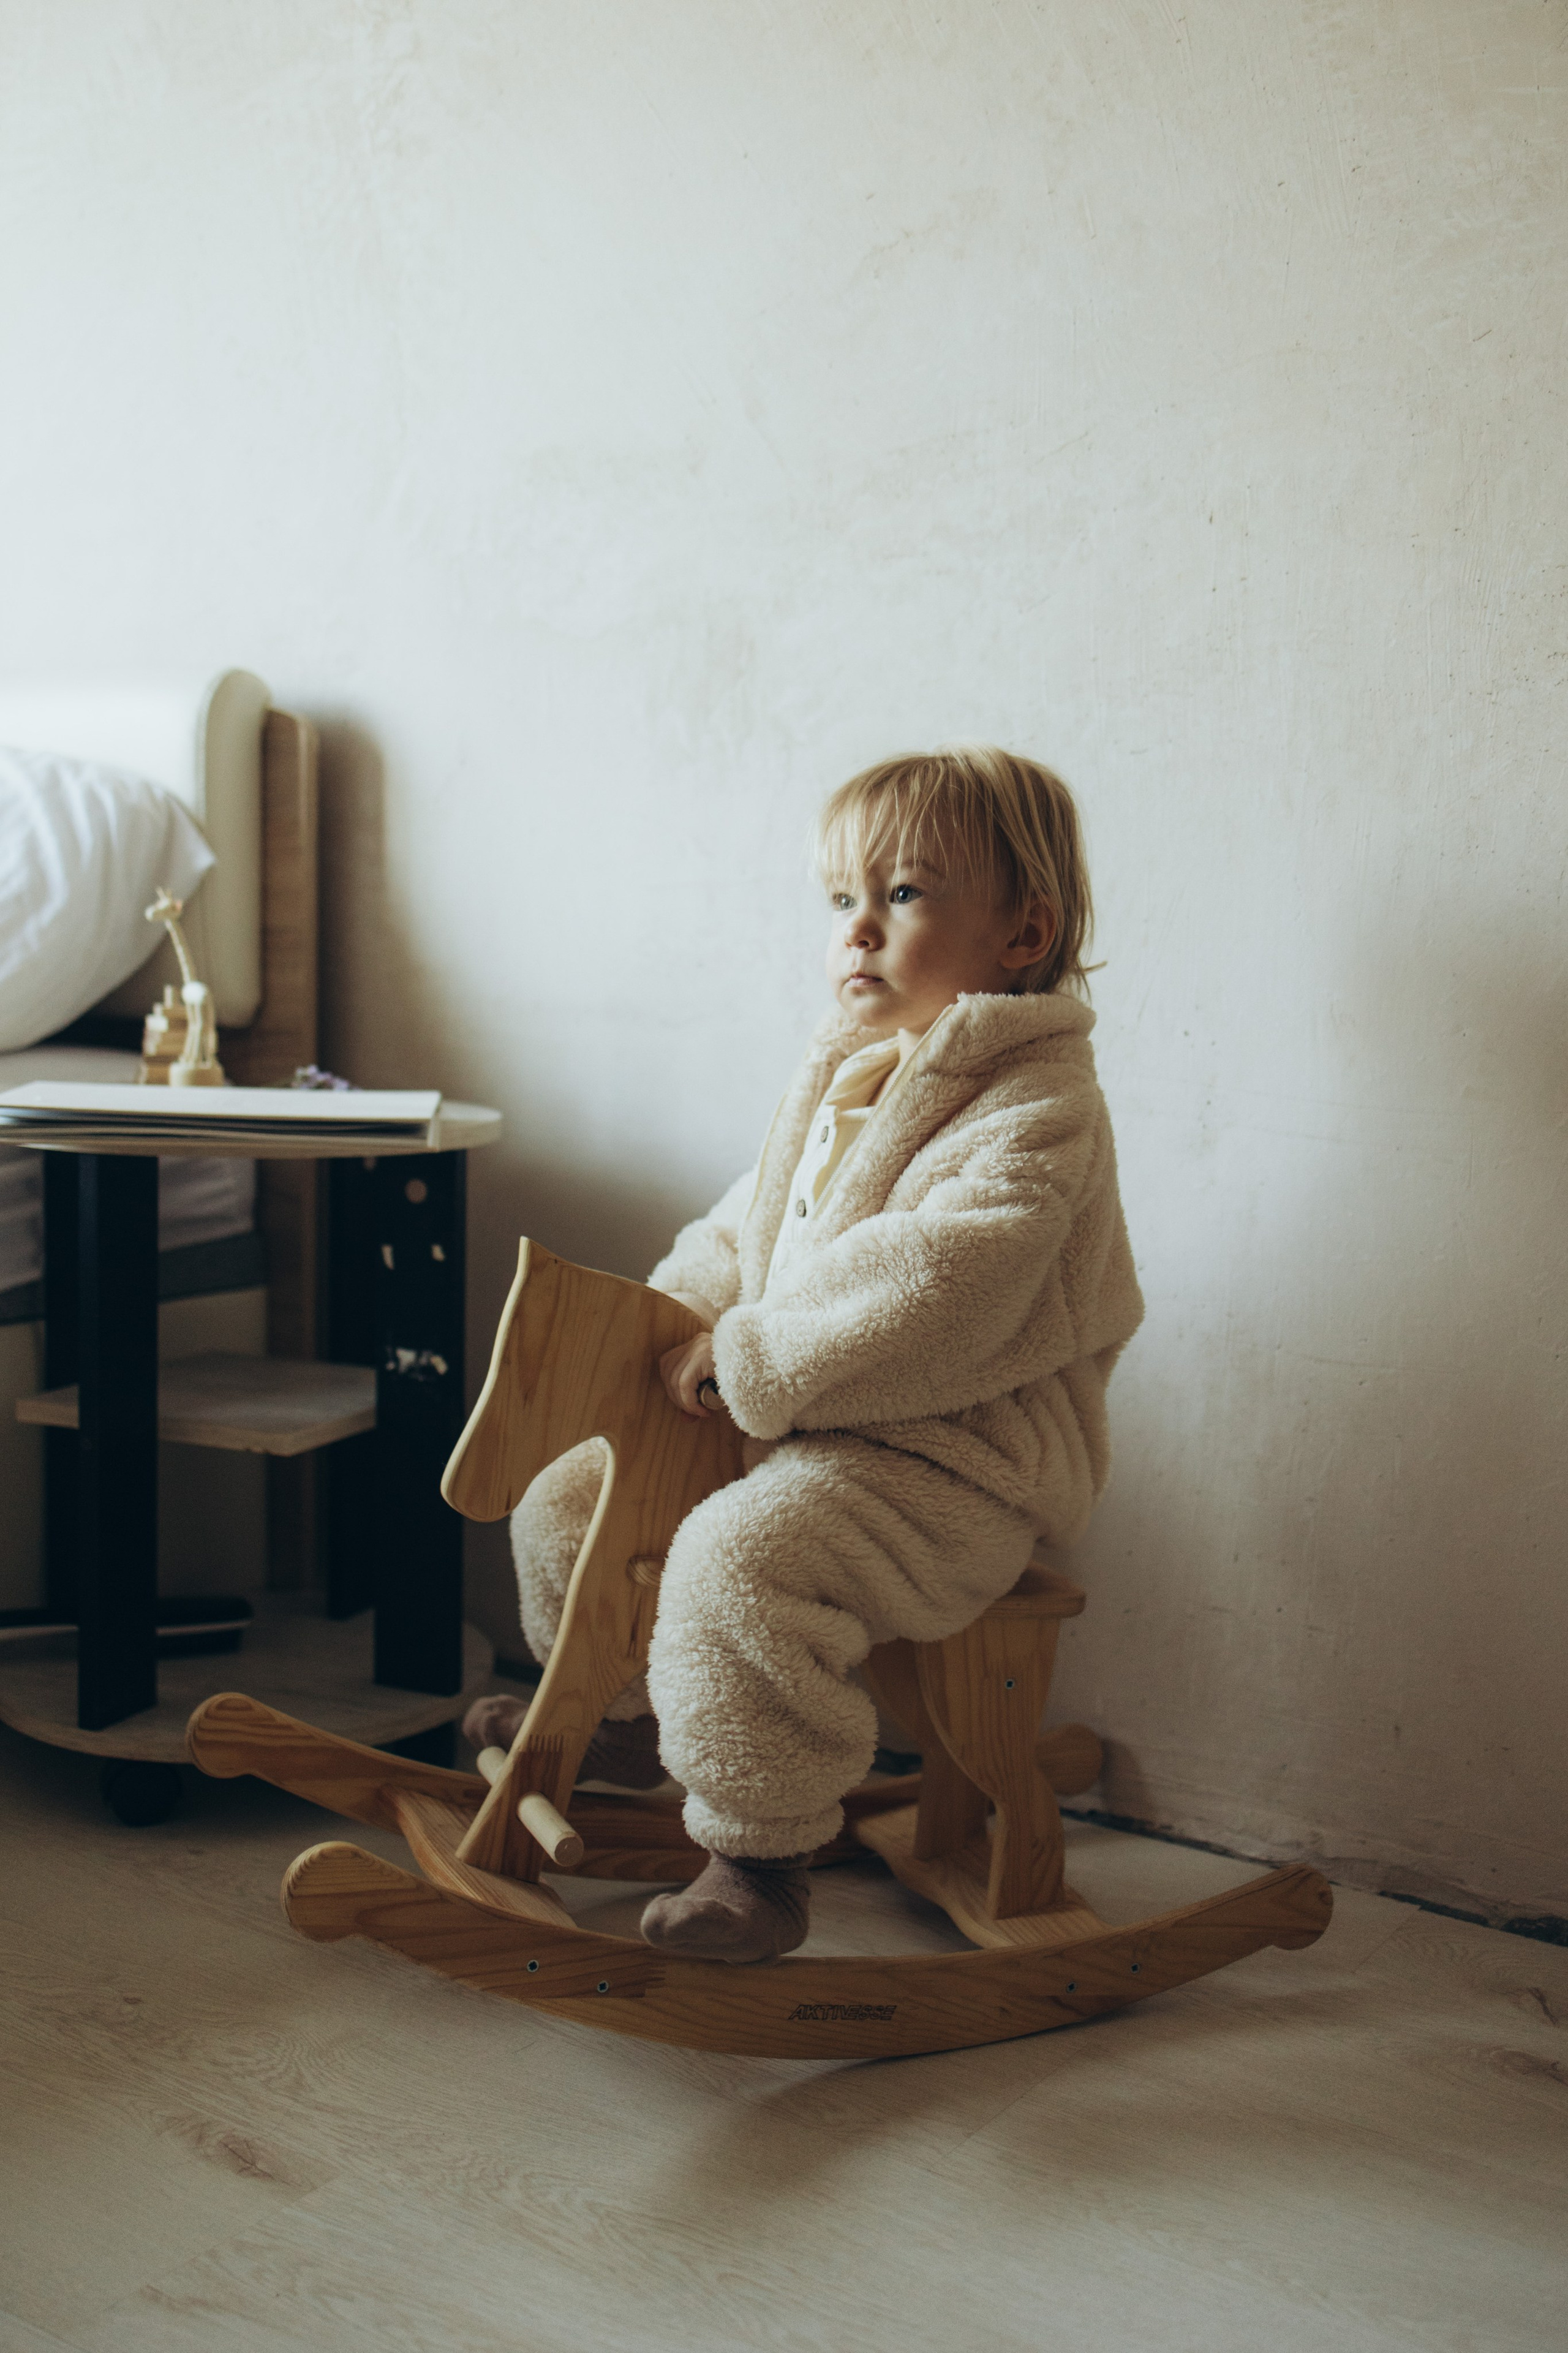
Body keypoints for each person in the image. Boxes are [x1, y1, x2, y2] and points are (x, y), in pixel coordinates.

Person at [463, 746, 1144, 1963]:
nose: (858, 933)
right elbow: (748, 1224)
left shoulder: (1039, 1107)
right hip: (806, 1422)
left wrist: (752, 1353)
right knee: (575, 1484)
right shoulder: (849, 1072)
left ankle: (756, 1860)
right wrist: (671, 1324)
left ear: (1020, 933)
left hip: (952, 1463)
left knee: (741, 1556)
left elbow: (944, 1282)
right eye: (842, 900)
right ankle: (627, 1719)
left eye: (903, 896)